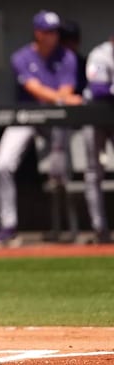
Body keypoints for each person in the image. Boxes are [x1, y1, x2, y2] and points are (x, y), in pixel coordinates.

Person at [0, 10, 82, 245]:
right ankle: (8, 225)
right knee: (2, 165)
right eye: (47, 32)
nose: (52, 36)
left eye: (55, 32)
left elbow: (67, 90)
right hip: (25, 116)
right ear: (37, 33)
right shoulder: (21, 56)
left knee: (61, 174)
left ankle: (70, 227)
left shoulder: (67, 56)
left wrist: (60, 99)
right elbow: (35, 89)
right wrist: (59, 98)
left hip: (56, 120)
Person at [81, 33, 114, 243]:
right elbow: (98, 89)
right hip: (95, 115)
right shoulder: (100, 55)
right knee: (94, 172)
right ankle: (99, 228)